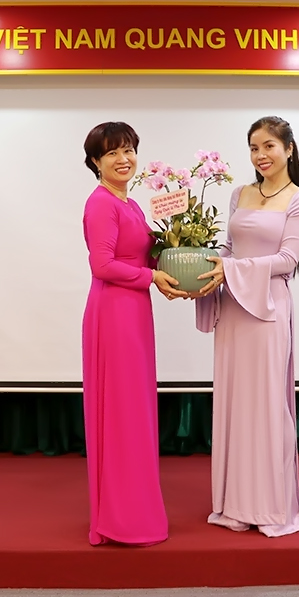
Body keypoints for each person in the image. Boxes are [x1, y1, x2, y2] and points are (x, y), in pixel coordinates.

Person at [194, 116, 299, 538]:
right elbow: (229, 249)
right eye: (254, 148)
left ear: (288, 149)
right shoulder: (239, 193)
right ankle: (235, 506)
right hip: (233, 309)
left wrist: (229, 270)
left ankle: (268, 506)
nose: (261, 155)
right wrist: (201, 265)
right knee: (234, 403)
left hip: (267, 310)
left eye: (269, 146)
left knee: (265, 405)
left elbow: (287, 261)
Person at [80, 121, 185, 546]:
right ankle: (118, 518)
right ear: (95, 162)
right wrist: (152, 277)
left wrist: (178, 256)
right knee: (121, 412)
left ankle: (133, 509)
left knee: (135, 411)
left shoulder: (133, 203)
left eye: (128, 150)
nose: (123, 159)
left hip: (135, 311)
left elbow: (145, 255)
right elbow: (102, 265)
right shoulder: (101, 204)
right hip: (114, 314)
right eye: (111, 153)